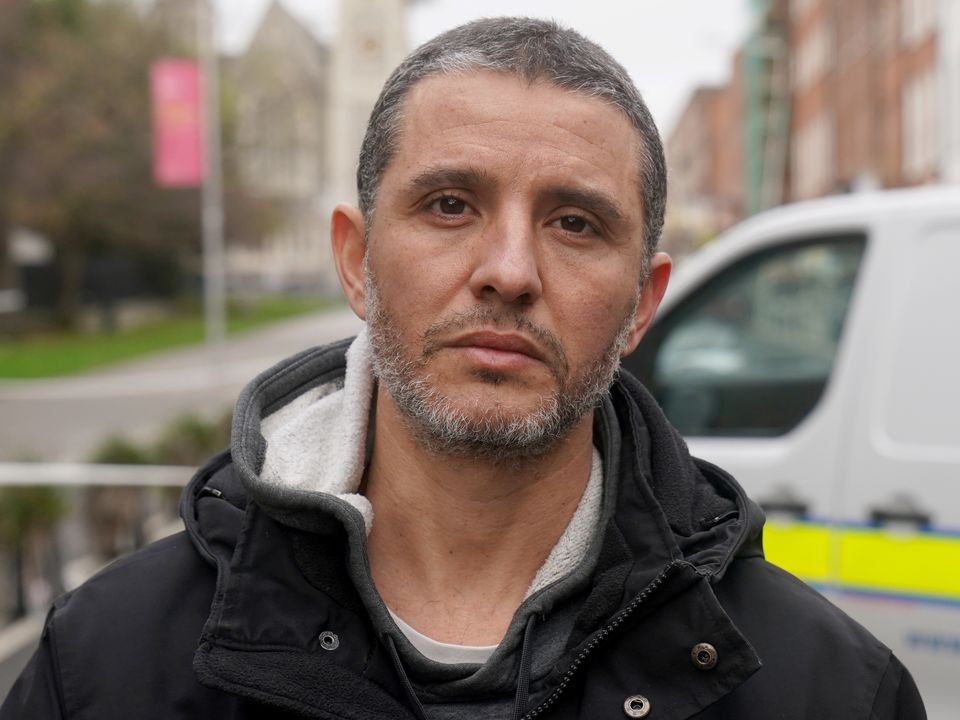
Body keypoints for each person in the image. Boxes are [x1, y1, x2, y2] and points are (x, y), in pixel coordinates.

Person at [2, 17, 925, 720]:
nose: (511, 271)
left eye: (575, 223)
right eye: (450, 204)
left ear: (644, 302)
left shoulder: (830, 690)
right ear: (357, 261)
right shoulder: (105, 667)